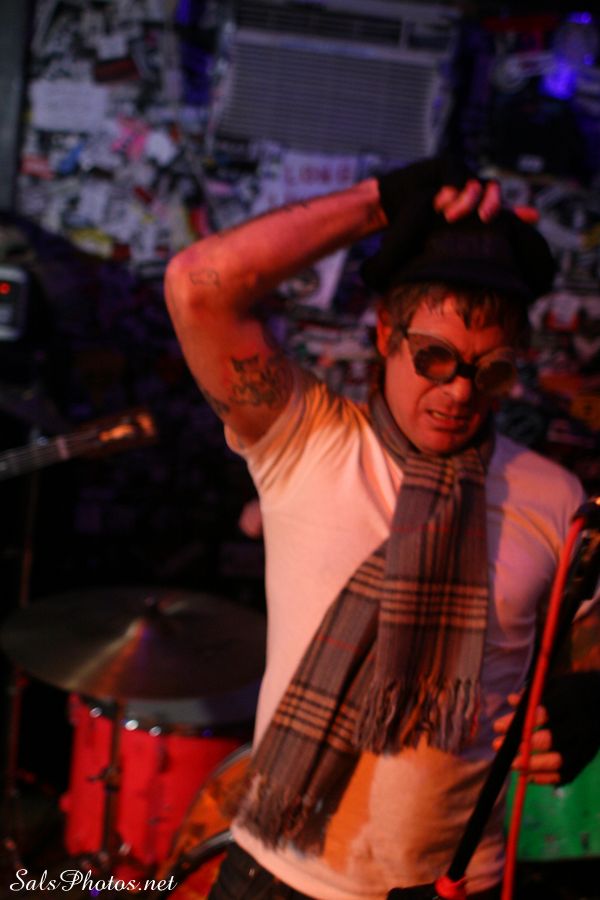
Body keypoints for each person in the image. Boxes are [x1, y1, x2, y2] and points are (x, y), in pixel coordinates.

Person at [164, 159, 599, 900]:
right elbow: (198, 285)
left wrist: (585, 707)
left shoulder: (553, 497)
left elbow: (582, 644)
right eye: (435, 358)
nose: (459, 392)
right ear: (388, 333)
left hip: (454, 884)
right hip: (278, 874)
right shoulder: (309, 441)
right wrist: (379, 202)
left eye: (490, 371)